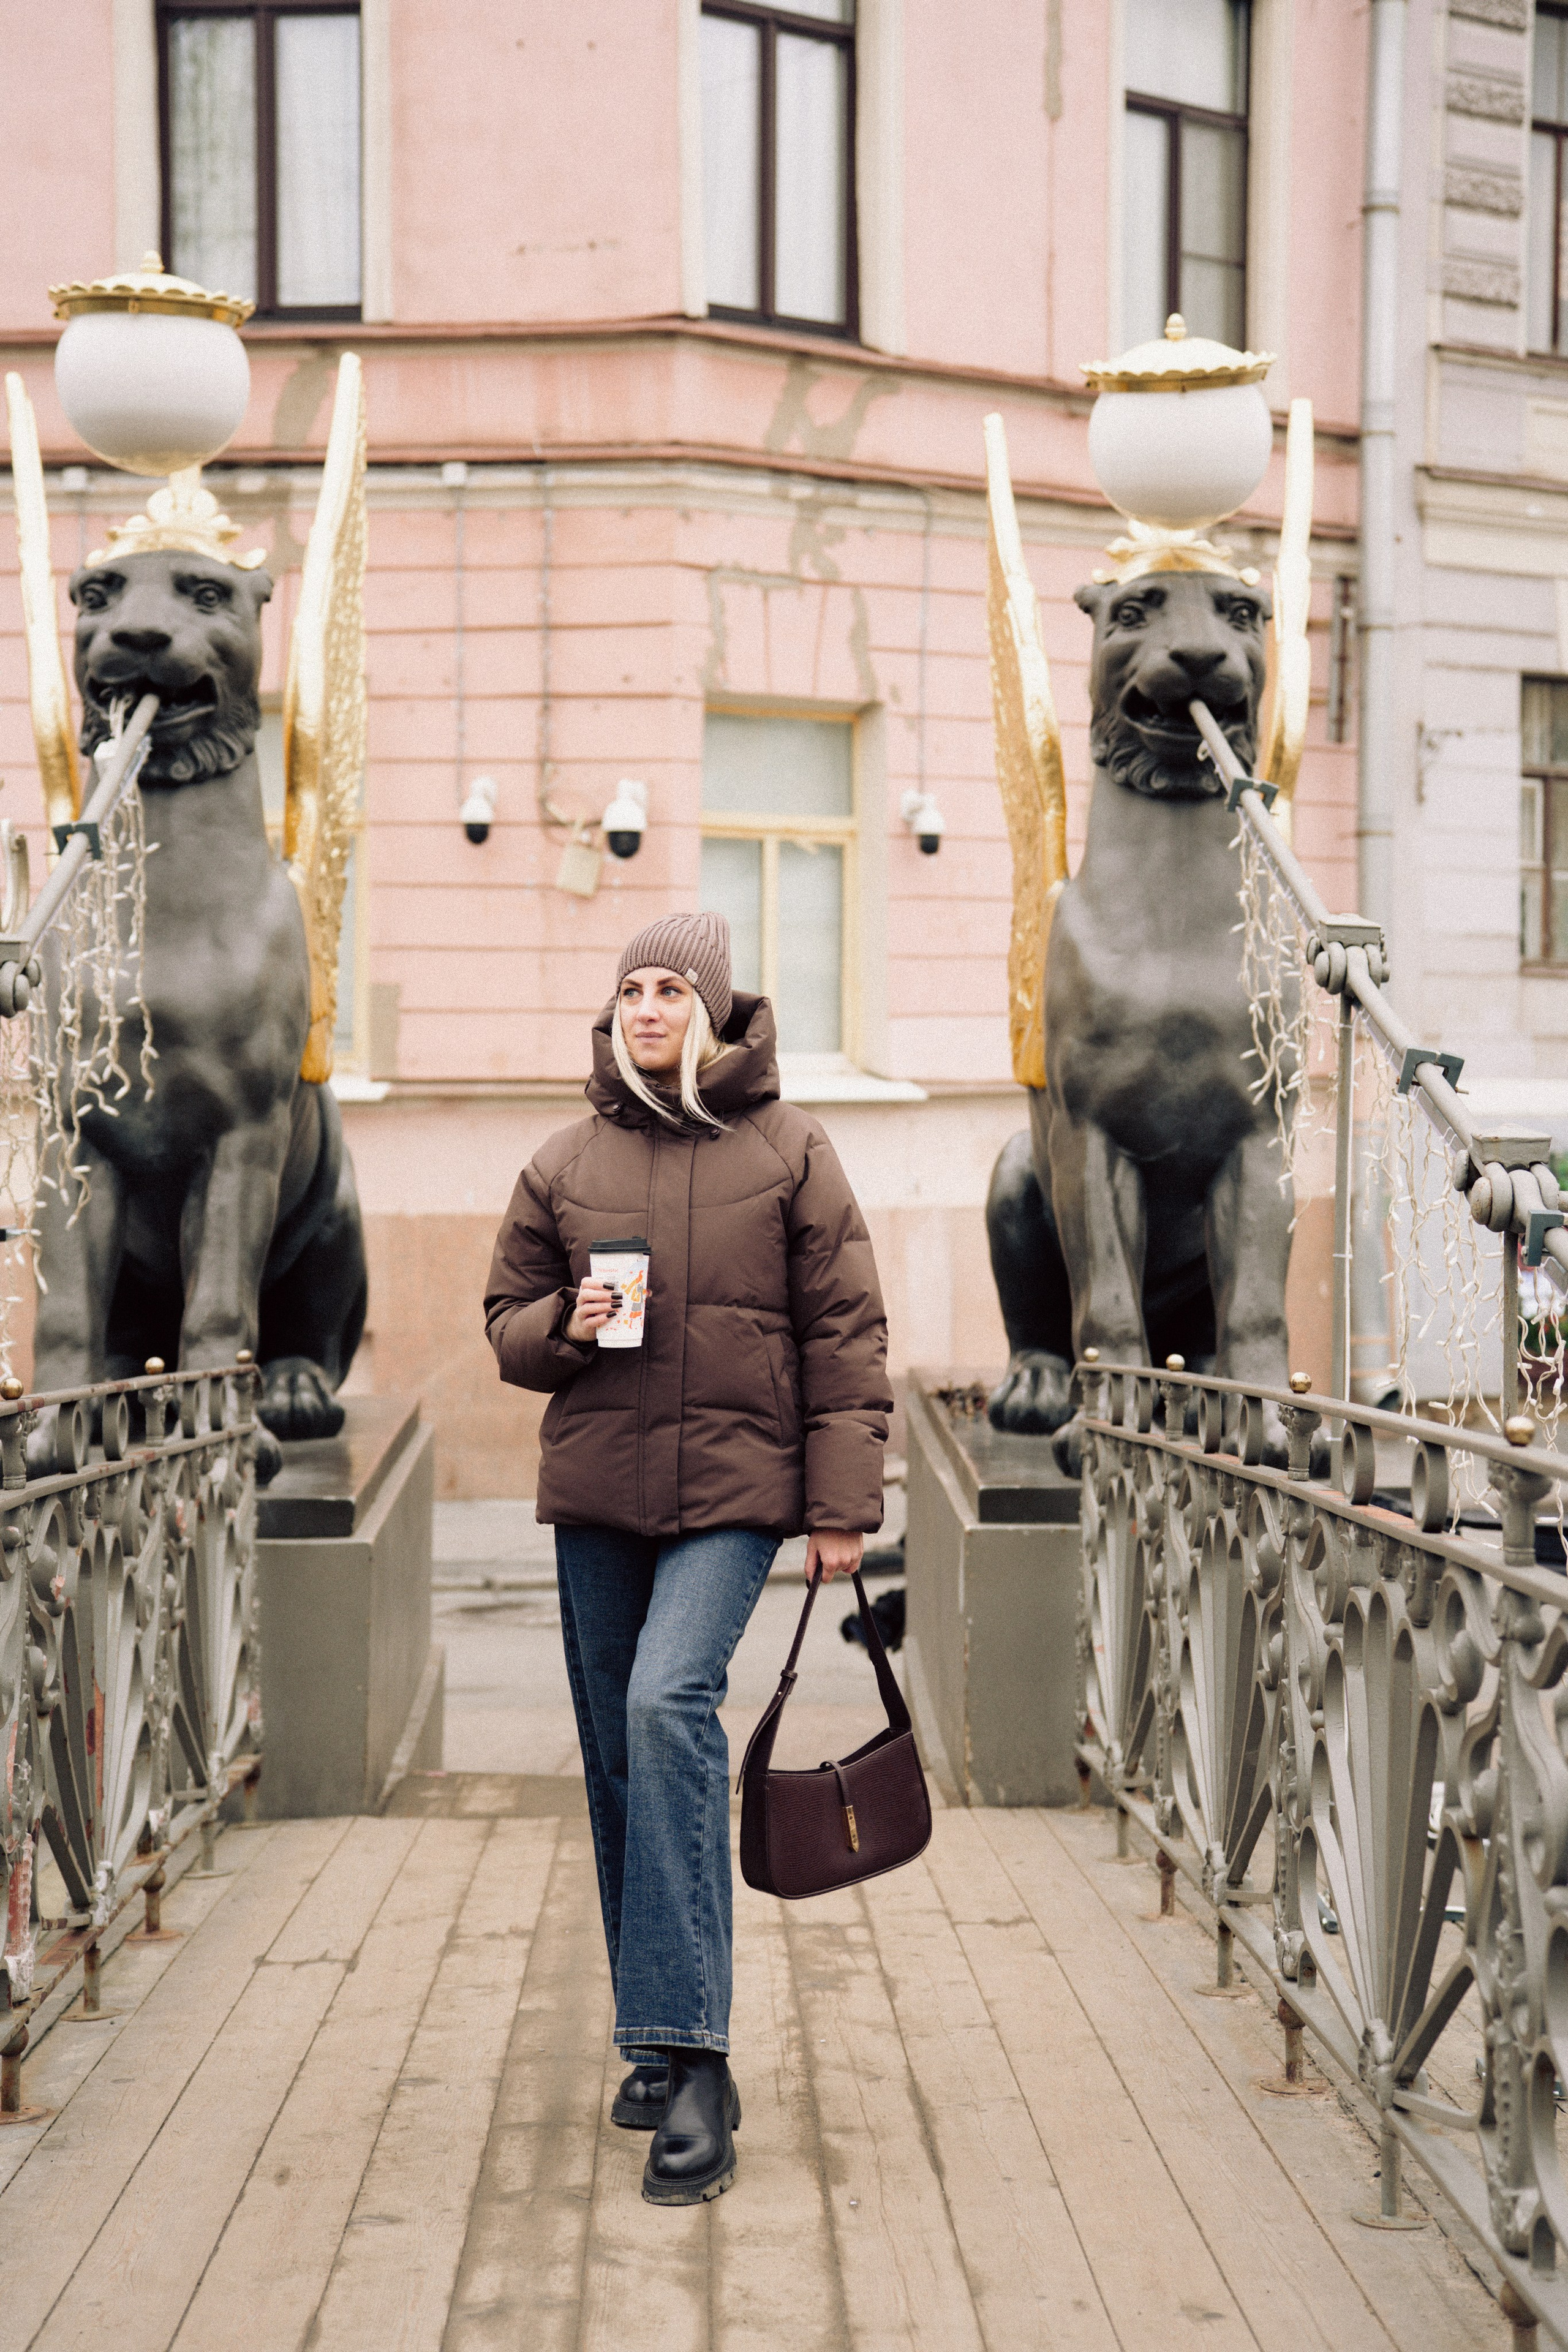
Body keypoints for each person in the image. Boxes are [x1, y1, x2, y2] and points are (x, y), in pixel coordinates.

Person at [484, 911, 891, 2207]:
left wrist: (841, 1508)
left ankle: (700, 2060)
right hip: (599, 1492)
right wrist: (567, 1321)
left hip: (733, 1493)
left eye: (672, 989)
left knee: (668, 1708)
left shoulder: (789, 1151)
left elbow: (847, 1336)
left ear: (712, 1011)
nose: (648, 1008)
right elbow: (504, 1324)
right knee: (613, 1750)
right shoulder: (561, 1161)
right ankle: (651, 2035)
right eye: (631, 990)